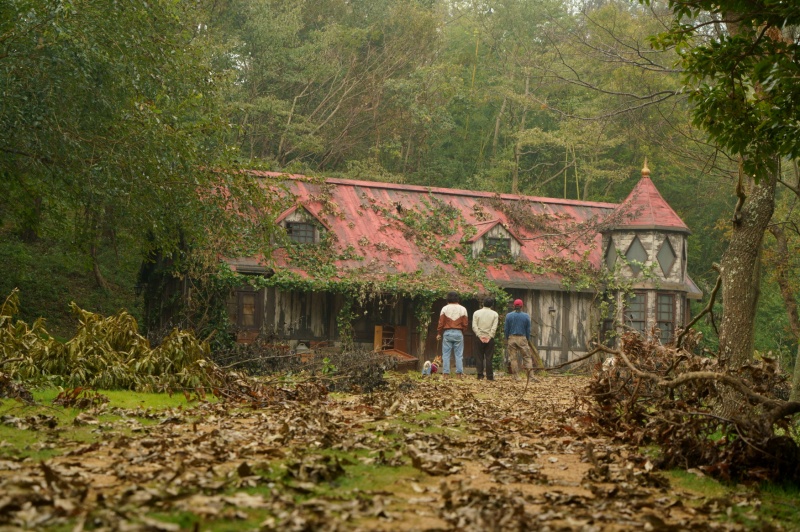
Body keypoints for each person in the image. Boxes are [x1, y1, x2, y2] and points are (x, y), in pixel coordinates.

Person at [436, 291, 468, 378]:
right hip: (458, 333)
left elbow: (441, 323)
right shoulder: (463, 309)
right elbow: (465, 324)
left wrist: (439, 333)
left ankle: (445, 374)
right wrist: (462, 332)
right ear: (457, 298)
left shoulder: (444, 308)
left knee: (446, 355)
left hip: (447, 333)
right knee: (459, 355)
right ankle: (459, 374)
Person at [504, 299, 535, 379]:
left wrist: (507, 337)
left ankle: (516, 376)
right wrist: (527, 339)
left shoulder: (509, 316)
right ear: (521, 306)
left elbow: (506, 329)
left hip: (511, 337)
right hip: (522, 338)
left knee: (513, 358)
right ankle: (530, 376)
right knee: (527, 357)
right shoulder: (526, 316)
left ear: (514, 306)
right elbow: (528, 329)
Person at [472, 297, 499, 381]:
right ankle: (490, 376)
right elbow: (494, 327)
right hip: (489, 338)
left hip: (478, 338)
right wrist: (489, 336)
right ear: (492, 305)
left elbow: (474, 326)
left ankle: (480, 375)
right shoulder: (495, 314)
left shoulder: (476, 313)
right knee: (489, 357)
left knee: (479, 357)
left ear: (483, 303)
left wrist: (479, 335)